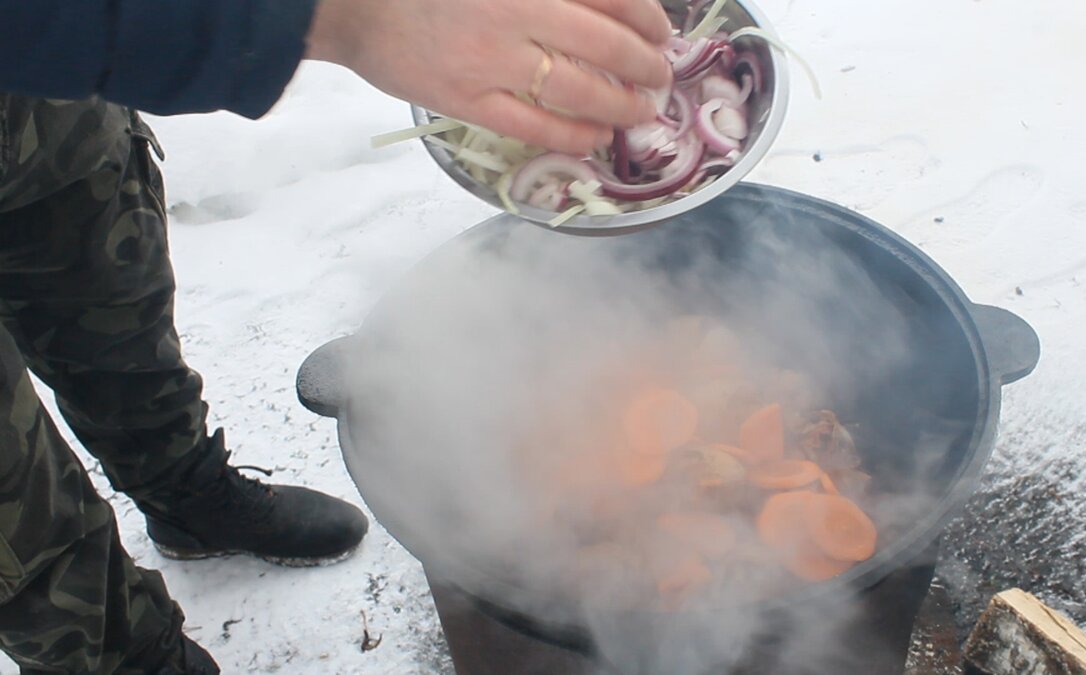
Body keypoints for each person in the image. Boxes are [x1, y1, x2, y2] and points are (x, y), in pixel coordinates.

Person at [0, 0, 673, 671]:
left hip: (50, 108)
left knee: (119, 324)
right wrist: (340, 18)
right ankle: (125, 658)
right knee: (20, 522)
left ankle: (186, 494)